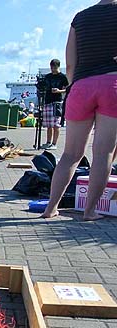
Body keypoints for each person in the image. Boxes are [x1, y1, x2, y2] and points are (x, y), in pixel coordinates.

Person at [41, 0, 117, 221]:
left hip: (80, 87)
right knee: (103, 153)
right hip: (111, 85)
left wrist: (75, 86)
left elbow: (70, 64)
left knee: (71, 154)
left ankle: (50, 208)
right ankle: (90, 210)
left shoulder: (80, 18)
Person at [40, 59, 69, 150]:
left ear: (58, 67)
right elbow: (43, 87)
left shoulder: (62, 77)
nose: (53, 69)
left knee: (56, 124)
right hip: (48, 101)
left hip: (57, 102)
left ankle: (54, 143)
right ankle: (48, 142)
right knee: (49, 124)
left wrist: (59, 91)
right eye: (52, 67)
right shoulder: (48, 76)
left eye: (55, 67)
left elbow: (67, 89)